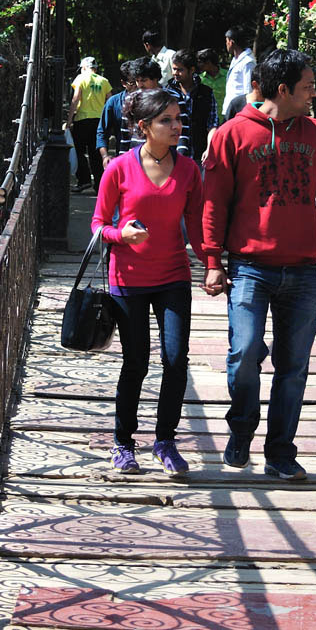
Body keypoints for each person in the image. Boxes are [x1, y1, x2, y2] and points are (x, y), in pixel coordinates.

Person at [202, 47, 316, 480]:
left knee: (293, 367)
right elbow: (214, 202)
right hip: (250, 266)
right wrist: (213, 260)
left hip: (304, 271)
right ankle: (241, 431)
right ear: (284, 89)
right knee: (244, 352)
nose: (314, 94)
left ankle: (280, 452)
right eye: (308, 87)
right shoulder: (231, 135)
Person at [91, 87, 207, 476]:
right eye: (166, 121)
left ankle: (165, 441)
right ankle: (122, 443)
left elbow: (197, 224)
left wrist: (213, 263)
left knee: (175, 360)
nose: (176, 126)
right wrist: (120, 235)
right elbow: (98, 225)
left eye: (178, 119)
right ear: (144, 127)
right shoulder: (119, 169)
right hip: (128, 279)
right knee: (135, 362)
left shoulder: (189, 170)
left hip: (173, 275)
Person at [65, 57, 111, 194]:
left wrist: (69, 120)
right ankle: (99, 184)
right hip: (99, 121)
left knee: (79, 150)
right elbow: (110, 100)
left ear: (84, 67)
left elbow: (76, 98)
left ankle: (84, 180)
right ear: (96, 68)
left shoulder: (81, 78)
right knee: (96, 152)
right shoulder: (104, 81)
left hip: (82, 119)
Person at [169, 49, 219, 162]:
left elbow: (212, 124)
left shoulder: (206, 93)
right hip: (172, 156)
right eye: (174, 69)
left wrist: (210, 148)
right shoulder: (167, 93)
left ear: (191, 70)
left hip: (200, 155)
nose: (175, 73)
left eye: (180, 70)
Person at [96, 59, 138, 171]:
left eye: (141, 81)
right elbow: (102, 133)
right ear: (123, 83)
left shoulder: (152, 101)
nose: (138, 86)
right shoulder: (114, 103)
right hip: (124, 159)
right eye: (133, 83)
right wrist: (105, 156)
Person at [222, 27, 255, 119]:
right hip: (230, 108)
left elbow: (249, 89)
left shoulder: (248, 62)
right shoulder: (235, 60)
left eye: (226, 41)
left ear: (231, 42)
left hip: (239, 110)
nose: (226, 44)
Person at [197, 48, 228, 117]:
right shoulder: (200, 79)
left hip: (225, 117)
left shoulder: (228, 76)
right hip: (207, 118)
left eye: (200, 62)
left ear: (208, 62)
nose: (198, 65)